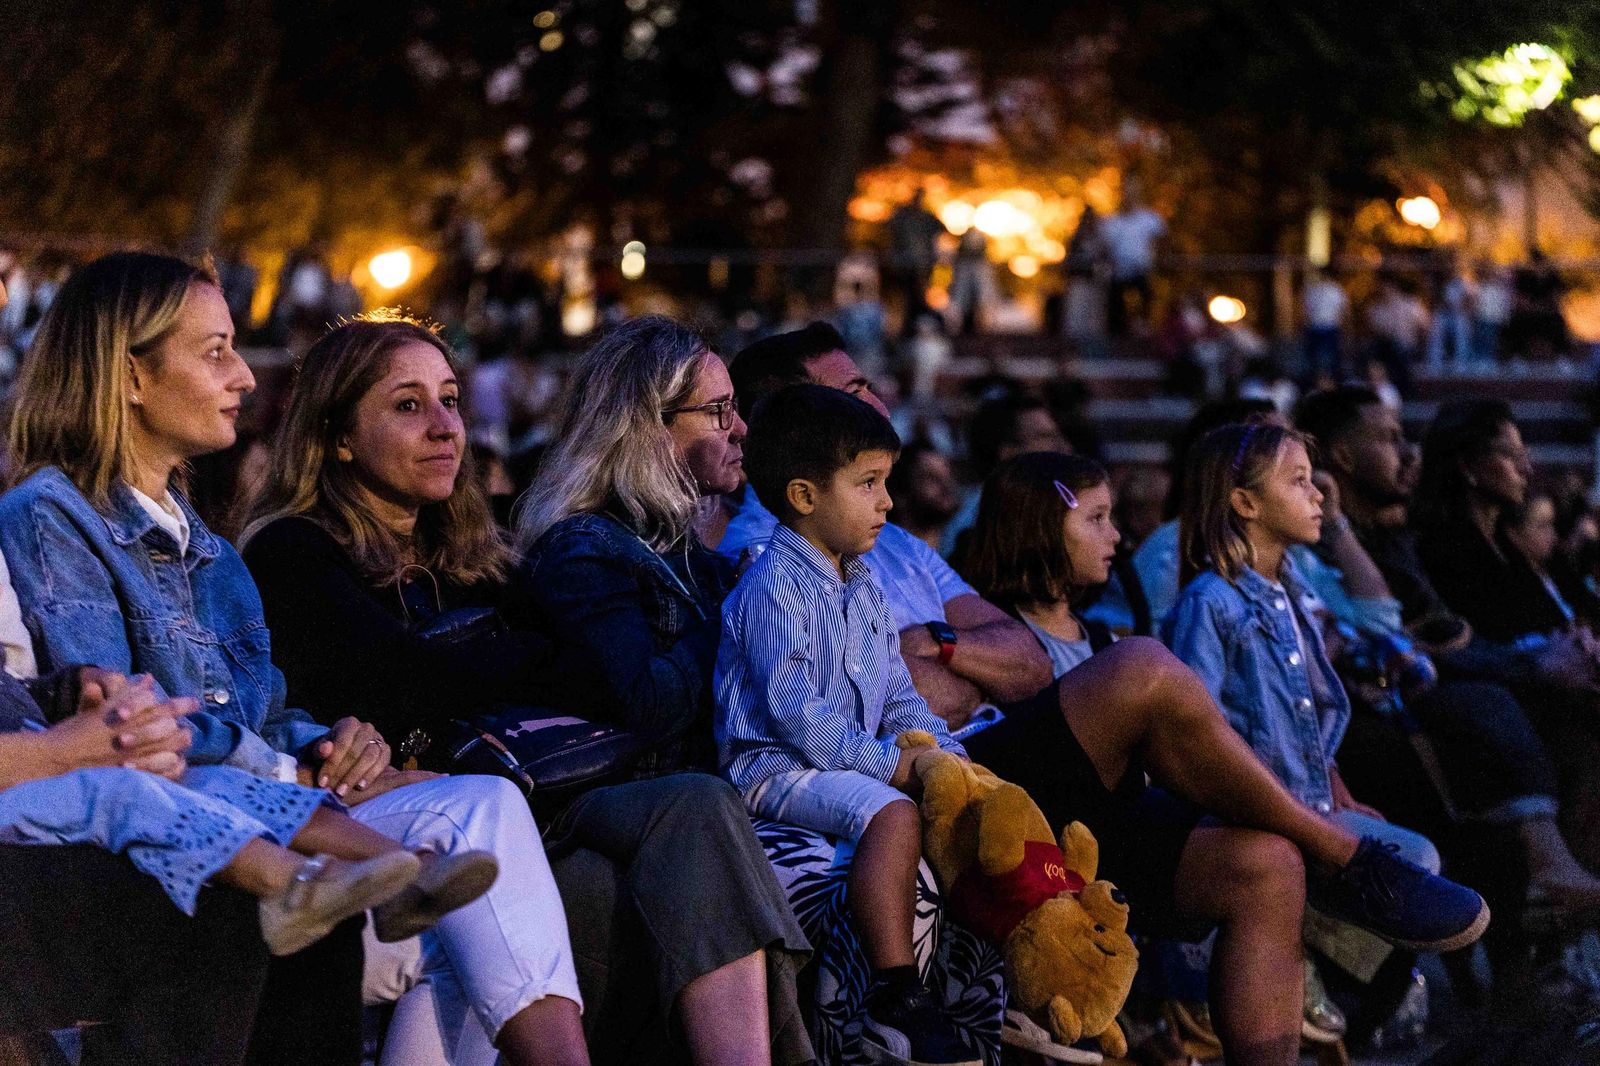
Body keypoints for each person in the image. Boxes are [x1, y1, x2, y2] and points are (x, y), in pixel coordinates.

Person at [722, 325, 1494, 1066]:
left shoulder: (882, 548)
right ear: (795, 434)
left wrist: (942, 657)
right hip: (917, 771)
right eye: (853, 392)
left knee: (1263, 863)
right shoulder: (765, 553)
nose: (880, 402)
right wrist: (937, 709)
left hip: (989, 755)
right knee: (1140, 667)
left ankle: (1315, 883)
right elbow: (846, 702)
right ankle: (1347, 858)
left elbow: (1020, 656)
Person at [0, 253, 586, 1066]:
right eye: (215, 353)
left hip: (262, 801)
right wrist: (290, 769)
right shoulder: (51, 518)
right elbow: (121, 731)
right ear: (130, 377)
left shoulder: (210, 551)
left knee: (479, 861)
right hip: (157, 836)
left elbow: (263, 712)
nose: (244, 375)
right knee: (474, 872)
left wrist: (331, 741)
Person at [513, 315, 815, 1066]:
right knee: (705, 803)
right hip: (592, 801)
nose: (741, 428)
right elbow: (645, 704)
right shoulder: (582, 549)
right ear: (648, 426)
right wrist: (741, 624)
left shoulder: (679, 552)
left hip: (675, 795)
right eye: (718, 411)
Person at [717, 385, 976, 1066]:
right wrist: (890, 766)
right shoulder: (771, 583)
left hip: (833, 763)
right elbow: (795, 713)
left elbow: (896, 693)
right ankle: (896, 990)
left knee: (969, 804)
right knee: (893, 815)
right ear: (804, 496)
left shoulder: (862, 584)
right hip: (776, 770)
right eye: (868, 483)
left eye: (886, 482)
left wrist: (943, 753)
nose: (887, 502)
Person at [1297, 385, 1600, 917]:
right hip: (1380, 699)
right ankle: (1554, 871)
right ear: (1342, 457)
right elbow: (1398, 627)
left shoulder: (1401, 537)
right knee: (1497, 703)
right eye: (1391, 439)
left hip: (1420, 681)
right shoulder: (1392, 538)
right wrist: (1536, 662)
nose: (1407, 452)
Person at [1166, 421, 1473, 927]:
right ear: (1246, 504)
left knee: (1416, 863)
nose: (1318, 497)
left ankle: (1353, 984)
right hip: (1253, 818)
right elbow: (1197, 731)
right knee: (1405, 877)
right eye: (1299, 481)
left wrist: (1339, 792)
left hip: (1311, 804)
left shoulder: (1292, 595)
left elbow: (1304, 714)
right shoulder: (1210, 603)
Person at [0, 669, 447, 955]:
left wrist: (73, 691)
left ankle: (406, 875)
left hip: (29, 757)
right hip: (19, 790)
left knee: (219, 781)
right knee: (118, 790)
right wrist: (61, 747)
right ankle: (292, 888)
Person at [1100, 182, 1166, 337]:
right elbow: (1105, 248)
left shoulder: (1149, 218)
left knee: (1146, 295)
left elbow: (1163, 239)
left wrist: (1155, 258)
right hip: (1119, 271)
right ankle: (1117, 331)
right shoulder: (1111, 222)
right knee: (1115, 300)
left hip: (1141, 269)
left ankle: (1143, 325)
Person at [884, 439, 960, 552]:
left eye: (947, 476)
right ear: (901, 496)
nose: (946, 486)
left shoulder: (961, 551)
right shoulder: (882, 558)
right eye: (931, 478)